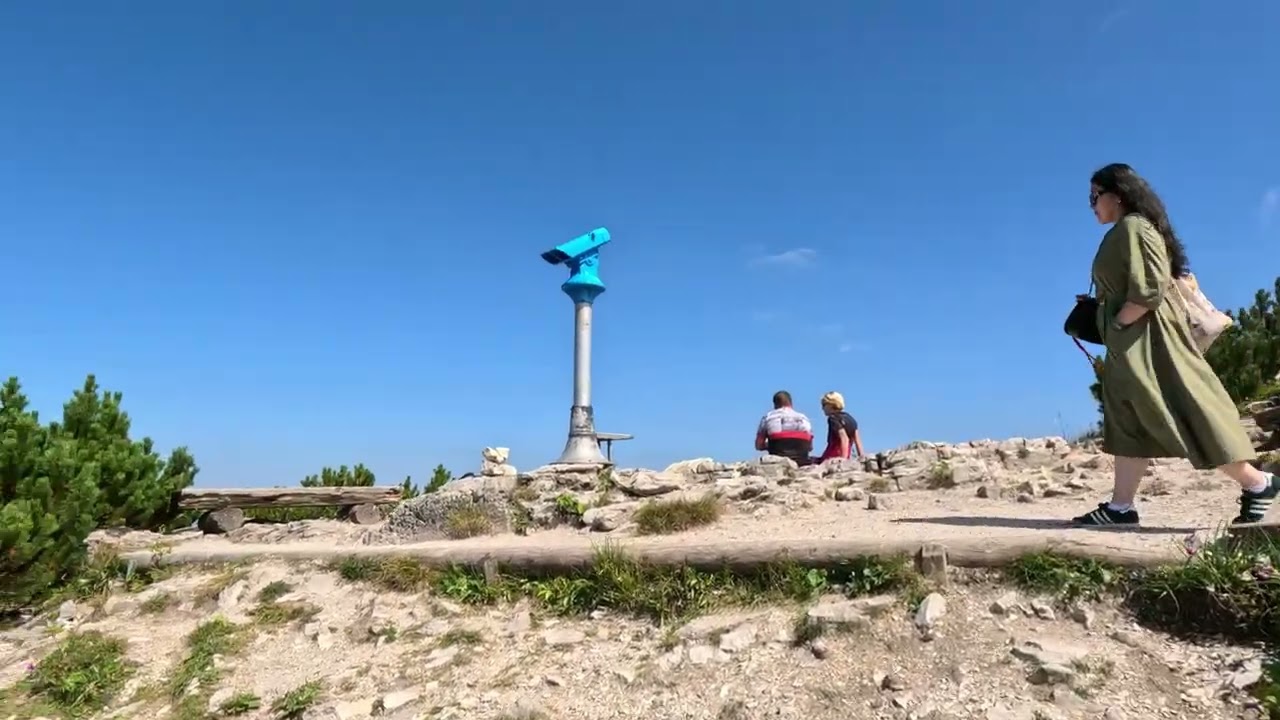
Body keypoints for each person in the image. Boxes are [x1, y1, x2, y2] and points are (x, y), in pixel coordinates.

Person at [1073, 162, 1277, 527]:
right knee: (1128, 414)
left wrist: (1119, 322)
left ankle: (1258, 482)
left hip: (1148, 338)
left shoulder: (1133, 227)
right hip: (1134, 339)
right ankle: (1121, 507)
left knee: (1183, 409)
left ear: (1115, 196)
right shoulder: (1129, 229)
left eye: (1094, 196)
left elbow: (1149, 288)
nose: (1090, 205)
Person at [754, 390, 813, 465]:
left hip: (778, 459)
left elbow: (759, 445)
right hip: (801, 460)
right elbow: (810, 447)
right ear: (791, 403)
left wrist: (768, 445)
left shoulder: (768, 417)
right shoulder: (804, 418)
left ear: (775, 404)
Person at [815, 391, 865, 463]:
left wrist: (843, 461)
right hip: (845, 456)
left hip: (833, 457)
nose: (822, 408)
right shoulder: (850, 418)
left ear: (831, 405)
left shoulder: (833, 419)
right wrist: (862, 457)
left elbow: (844, 439)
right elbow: (857, 441)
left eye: (824, 405)